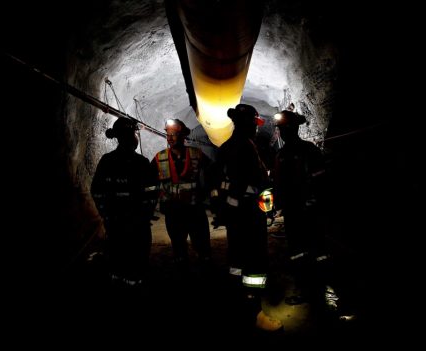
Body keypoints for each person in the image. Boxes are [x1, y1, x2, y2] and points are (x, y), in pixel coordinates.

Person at [210, 103, 283, 332]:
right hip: (250, 214)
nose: (256, 127)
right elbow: (261, 183)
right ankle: (255, 314)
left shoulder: (225, 147)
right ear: (249, 122)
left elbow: (215, 182)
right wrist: (269, 208)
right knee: (255, 262)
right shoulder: (247, 147)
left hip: (235, 215)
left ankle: (237, 306)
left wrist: (223, 209)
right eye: (254, 123)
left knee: (237, 260)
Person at [90, 117, 157, 290]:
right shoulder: (139, 162)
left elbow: (97, 191)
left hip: (120, 223)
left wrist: (106, 214)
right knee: (132, 259)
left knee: (120, 258)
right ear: (127, 137)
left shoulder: (109, 160)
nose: (135, 137)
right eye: (133, 134)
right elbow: (152, 192)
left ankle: (120, 287)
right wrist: (145, 214)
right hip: (132, 224)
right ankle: (131, 287)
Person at [272, 110, 329, 304]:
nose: (282, 132)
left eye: (284, 128)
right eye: (280, 129)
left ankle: (321, 287)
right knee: (297, 251)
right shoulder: (280, 155)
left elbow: (321, 180)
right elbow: (278, 184)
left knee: (316, 250)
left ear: (293, 128)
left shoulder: (309, 150)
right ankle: (306, 289)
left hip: (309, 212)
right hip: (292, 212)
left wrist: (314, 202)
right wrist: (276, 205)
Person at [151, 118, 212, 273]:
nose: (170, 138)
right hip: (173, 212)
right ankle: (183, 278)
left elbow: (213, 171)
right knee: (179, 248)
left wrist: (208, 193)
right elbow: (148, 182)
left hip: (194, 210)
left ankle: (206, 275)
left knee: (202, 246)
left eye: (174, 134)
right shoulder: (159, 158)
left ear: (183, 135)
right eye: (168, 134)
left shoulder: (196, 154)